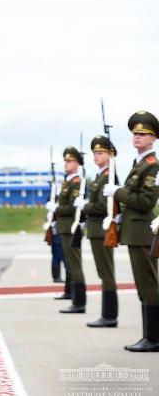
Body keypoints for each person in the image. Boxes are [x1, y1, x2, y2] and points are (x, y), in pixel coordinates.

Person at [103, 111, 159, 352]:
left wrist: (117, 192)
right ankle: (150, 335)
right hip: (134, 231)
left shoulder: (152, 166)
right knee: (143, 283)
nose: (136, 137)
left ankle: (154, 337)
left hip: (142, 231)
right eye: (135, 133)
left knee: (148, 283)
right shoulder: (139, 164)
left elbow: (146, 202)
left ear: (153, 138)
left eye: (142, 134)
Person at [77, 136, 118, 327]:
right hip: (95, 230)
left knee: (106, 273)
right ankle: (107, 314)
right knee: (103, 272)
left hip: (102, 230)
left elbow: (103, 206)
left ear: (110, 155)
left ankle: (109, 316)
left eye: (100, 153)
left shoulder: (109, 176)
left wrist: (86, 206)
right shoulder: (101, 176)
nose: (96, 156)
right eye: (94, 153)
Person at [46, 146, 86, 314]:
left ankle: (79, 303)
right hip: (63, 228)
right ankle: (72, 296)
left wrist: (56, 208)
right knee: (69, 264)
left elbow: (71, 208)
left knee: (74, 265)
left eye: (69, 161)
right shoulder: (68, 182)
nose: (66, 163)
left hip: (71, 228)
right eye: (65, 161)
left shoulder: (77, 182)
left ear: (77, 163)